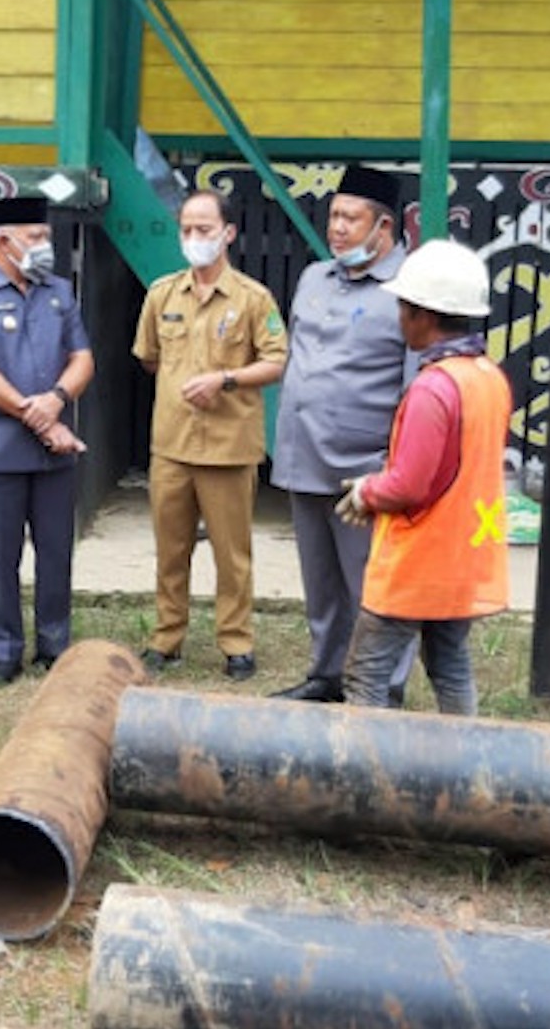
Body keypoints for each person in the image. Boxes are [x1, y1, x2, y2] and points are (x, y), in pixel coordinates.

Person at [336, 240, 512, 714]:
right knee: (450, 664)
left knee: (366, 675)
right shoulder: (488, 377)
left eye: (402, 307)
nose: (398, 316)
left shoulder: (434, 388)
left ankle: (366, 776)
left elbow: (410, 484)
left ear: (422, 314)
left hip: (419, 562)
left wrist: (366, 490)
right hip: (465, 559)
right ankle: (465, 766)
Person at [270, 165, 418, 705]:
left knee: (372, 585)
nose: (336, 228)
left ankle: (385, 684)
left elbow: (416, 392)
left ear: (384, 228)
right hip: (302, 454)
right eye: (333, 215)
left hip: (365, 466)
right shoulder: (314, 277)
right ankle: (328, 673)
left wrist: (395, 467)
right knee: (323, 582)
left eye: (350, 219)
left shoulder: (407, 291)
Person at [131, 189, 288, 680]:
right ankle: (167, 636)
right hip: (172, 445)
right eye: (187, 230)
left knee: (231, 553)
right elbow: (149, 355)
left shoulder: (253, 298)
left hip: (228, 447)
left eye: (204, 229)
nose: (195, 239)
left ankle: (236, 642)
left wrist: (226, 379)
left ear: (228, 233)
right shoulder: (162, 294)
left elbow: (277, 360)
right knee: (170, 549)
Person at [0, 196, 94, 684]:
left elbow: (82, 358)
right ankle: (4, 650)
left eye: (45, 237)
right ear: (4, 242)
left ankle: (55, 646)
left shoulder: (58, 291)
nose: (44, 246)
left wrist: (56, 398)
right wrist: (43, 419)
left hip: (54, 452)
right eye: (35, 237)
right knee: (1, 556)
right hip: (1, 448)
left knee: (56, 552)